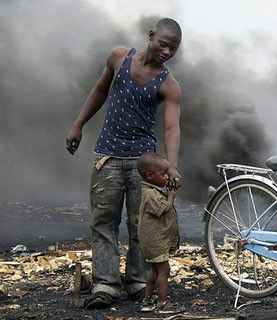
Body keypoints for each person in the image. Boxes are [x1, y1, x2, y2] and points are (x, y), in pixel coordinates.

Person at [65, 18, 183, 309]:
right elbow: (100, 91)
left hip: (144, 164)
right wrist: (78, 124)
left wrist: (171, 166)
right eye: (163, 44)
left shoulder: (169, 84)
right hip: (108, 155)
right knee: (103, 222)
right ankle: (105, 285)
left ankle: (138, 282)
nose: (167, 52)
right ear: (151, 35)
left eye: (173, 49)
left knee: (142, 225)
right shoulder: (119, 57)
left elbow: (171, 128)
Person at [136, 152, 180, 314]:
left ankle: (147, 301)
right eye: (163, 174)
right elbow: (164, 209)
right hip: (155, 242)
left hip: (154, 241)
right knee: (164, 271)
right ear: (149, 175)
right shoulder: (149, 194)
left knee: (154, 270)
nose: (166, 177)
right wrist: (171, 196)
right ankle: (162, 303)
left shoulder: (151, 189)